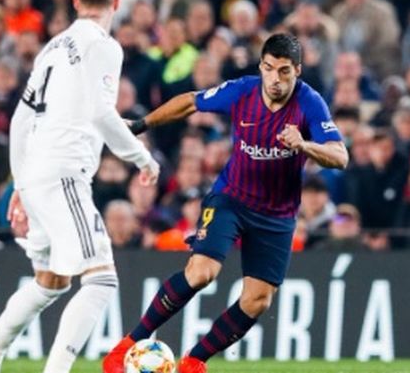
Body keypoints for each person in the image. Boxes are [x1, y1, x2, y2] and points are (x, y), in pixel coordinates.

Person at [103, 33, 348, 373]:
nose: (274, 79)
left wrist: (305, 145)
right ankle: (125, 348)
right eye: (269, 68)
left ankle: (194, 362)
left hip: (276, 216)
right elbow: (190, 101)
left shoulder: (310, 103)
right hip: (231, 198)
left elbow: (340, 156)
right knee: (202, 273)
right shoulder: (243, 90)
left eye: (284, 72)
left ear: (298, 71)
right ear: (261, 66)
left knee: (258, 301)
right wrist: (142, 125)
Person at [0, 0, 159, 373]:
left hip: (35, 173)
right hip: (64, 173)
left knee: (51, 282)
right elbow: (102, 113)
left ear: (75, 0)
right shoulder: (104, 46)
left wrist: (19, 184)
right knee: (102, 280)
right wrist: (142, 156)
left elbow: (20, 120)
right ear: (116, 3)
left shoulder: (51, 48)